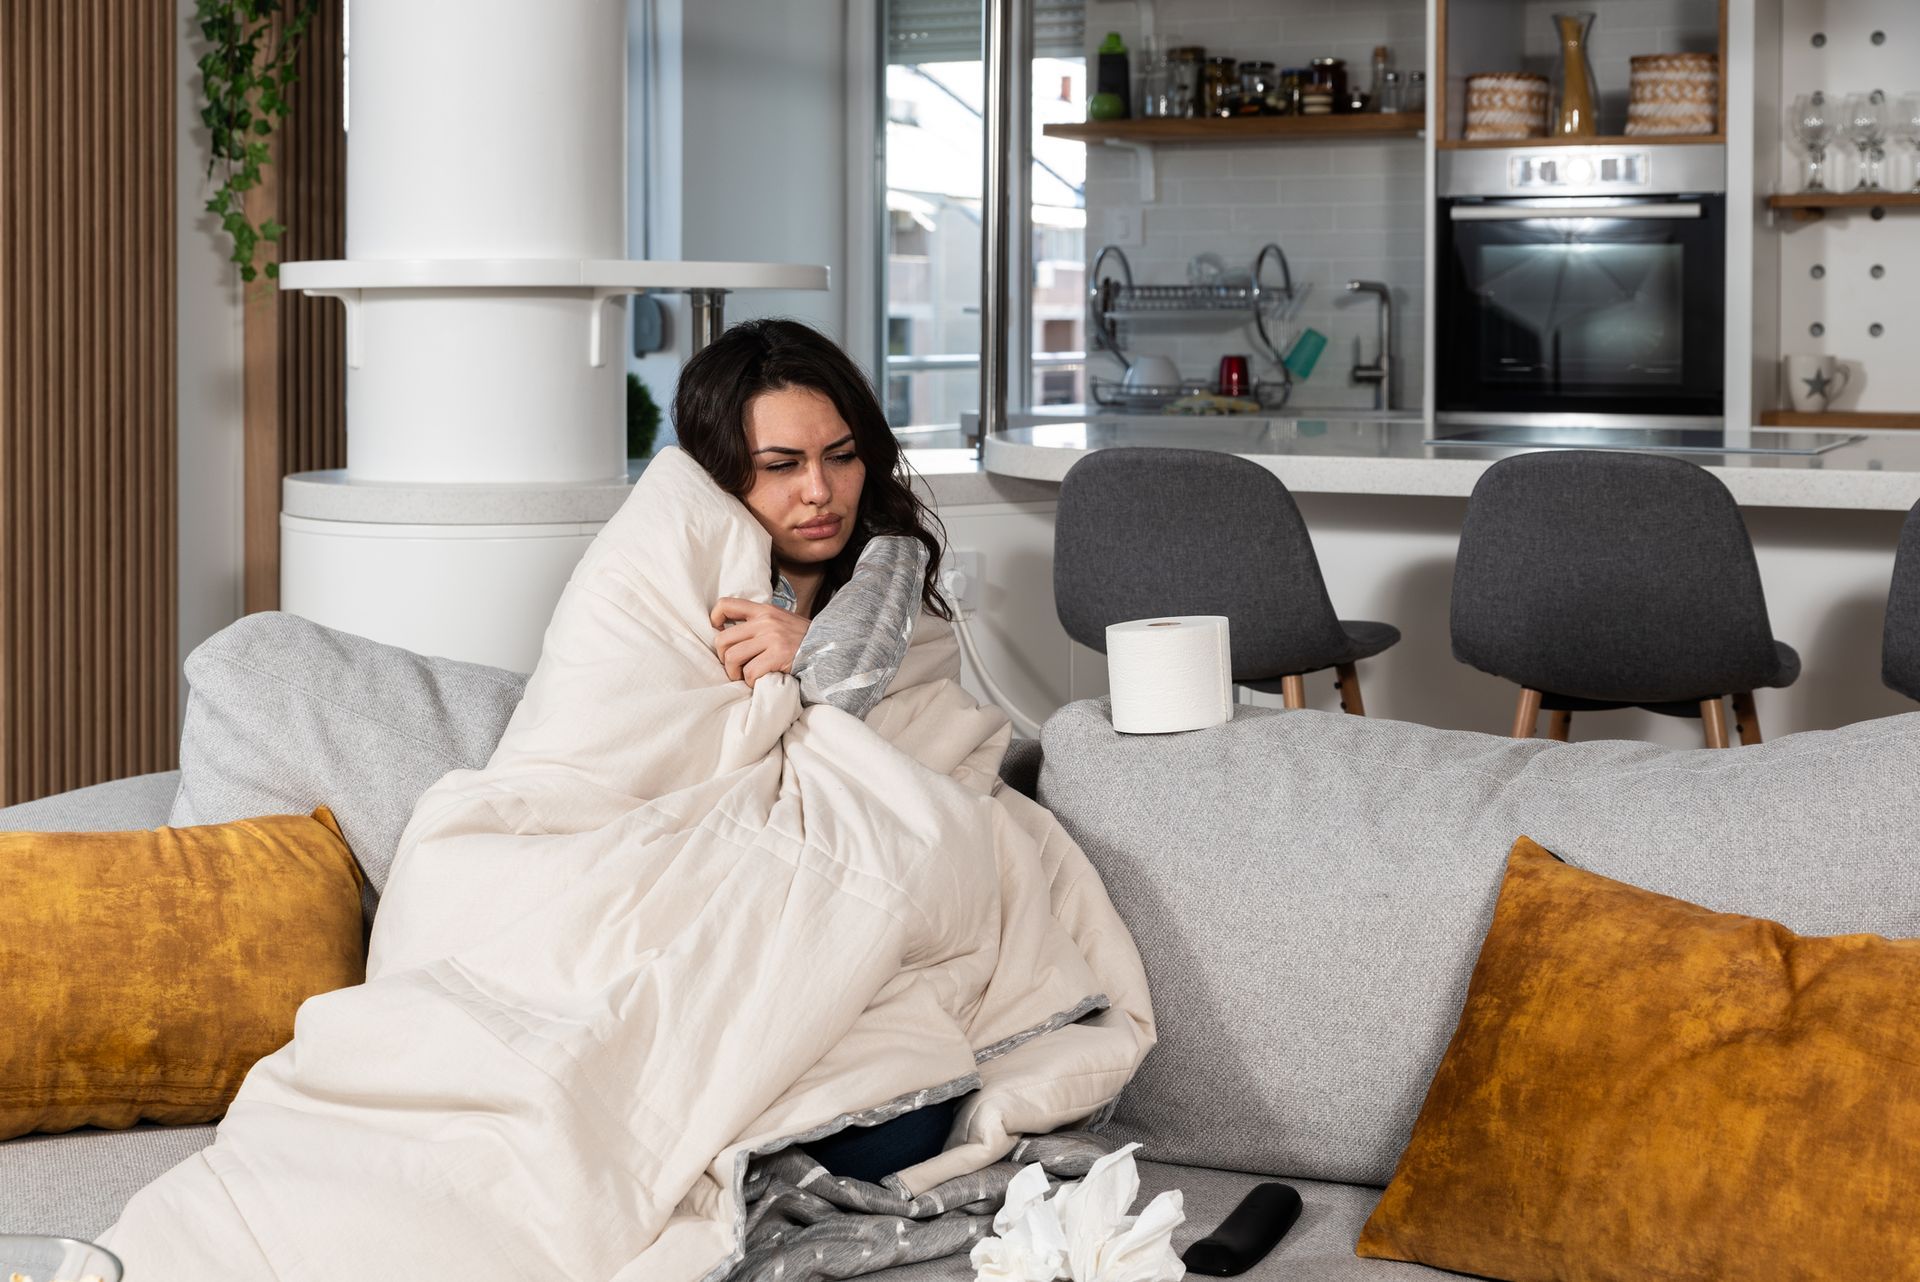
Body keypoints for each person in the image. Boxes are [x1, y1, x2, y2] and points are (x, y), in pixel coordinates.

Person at [669, 316, 965, 1181]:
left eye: (841, 455)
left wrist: (819, 654)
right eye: (782, 466)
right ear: (722, 475)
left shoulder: (890, 589)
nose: (820, 491)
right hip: (719, 912)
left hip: (858, 924)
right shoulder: (677, 588)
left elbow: (935, 774)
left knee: (891, 1133)